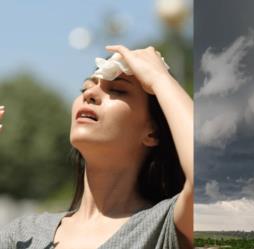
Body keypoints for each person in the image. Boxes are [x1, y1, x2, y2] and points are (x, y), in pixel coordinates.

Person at [0, 45, 193, 249]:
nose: (89, 94)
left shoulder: (165, 227)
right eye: (85, 88)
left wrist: (160, 78)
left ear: (152, 133)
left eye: (118, 90)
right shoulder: (23, 234)